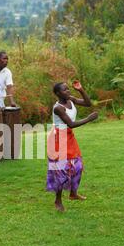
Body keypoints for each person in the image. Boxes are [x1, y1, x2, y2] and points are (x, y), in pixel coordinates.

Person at [47, 81, 98, 212]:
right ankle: (58, 200)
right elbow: (71, 124)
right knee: (61, 170)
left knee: (77, 166)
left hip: (69, 136)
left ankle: (73, 193)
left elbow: (88, 103)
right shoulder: (58, 108)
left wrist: (80, 89)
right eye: (65, 90)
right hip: (59, 137)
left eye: (68, 89)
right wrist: (89, 118)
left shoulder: (71, 99)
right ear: (58, 93)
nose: (68, 91)